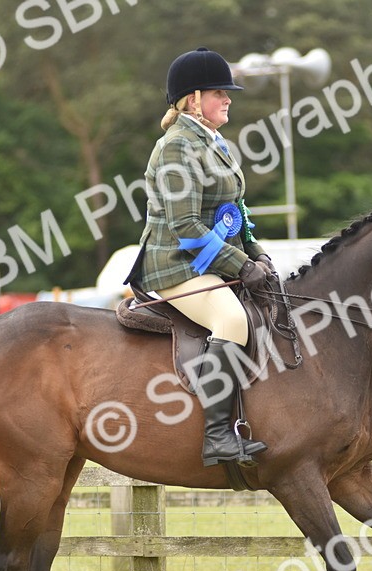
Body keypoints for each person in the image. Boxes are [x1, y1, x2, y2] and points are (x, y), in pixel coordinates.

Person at [127, 47, 275, 468]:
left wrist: (258, 254)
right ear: (193, 99)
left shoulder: (215, 143)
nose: (228, 99)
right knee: (231, 320)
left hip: (207, 261)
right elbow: (186, 227)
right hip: (175, 264)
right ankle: (217, 438)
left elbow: (234, 213)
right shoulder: (176, 147)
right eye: (219, 93)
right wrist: (241, 267)